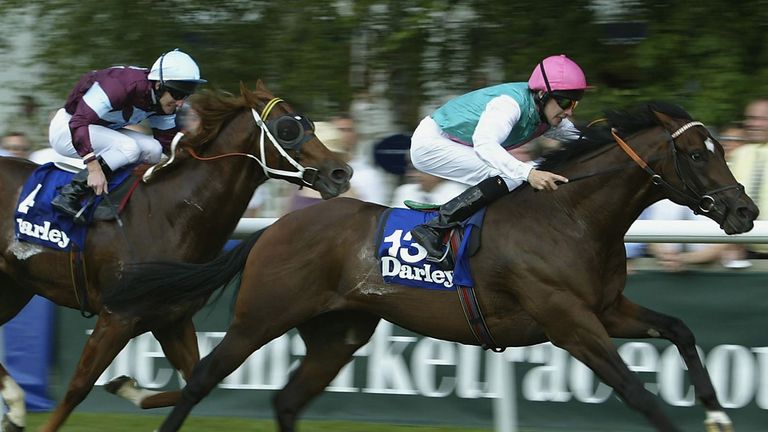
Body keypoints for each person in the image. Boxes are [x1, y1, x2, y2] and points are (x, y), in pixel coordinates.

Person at [408, 54, 589, 261]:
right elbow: (484, 144)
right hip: (431, 143)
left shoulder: (547, 113)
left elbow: (583, 140)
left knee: (526, 170)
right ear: (542, 94)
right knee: (516, 173)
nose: (568, 111)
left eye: (574, 105)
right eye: (564, 102)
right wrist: (529, 173)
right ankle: (433, 228)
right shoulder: (509, 104)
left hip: (454, 143)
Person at [48, 49, 206, 220]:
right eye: (178, 94)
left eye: (186, 96)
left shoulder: (162, 101)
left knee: (154, 150)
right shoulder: (120, 85)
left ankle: (125, 197)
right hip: (68, 130)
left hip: (98, 131)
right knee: (129, 147)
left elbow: (168, 144)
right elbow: (78, 122)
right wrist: (93, 169)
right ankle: (70, 194)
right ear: (159, 85)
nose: (181, 103)